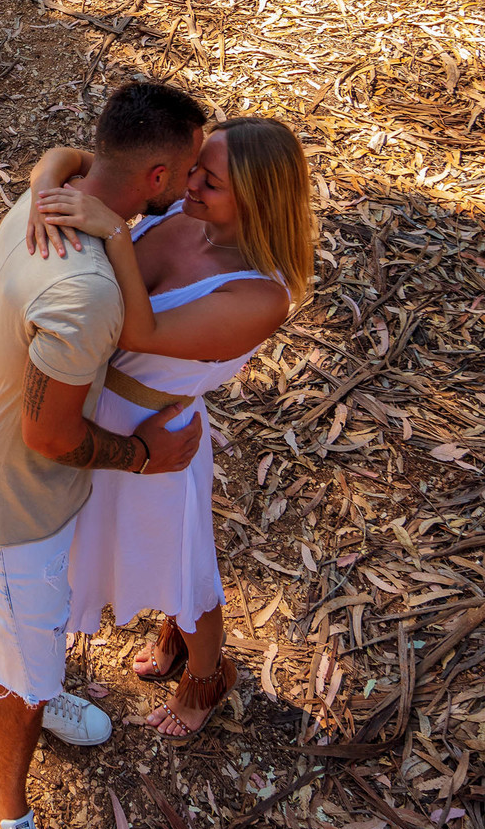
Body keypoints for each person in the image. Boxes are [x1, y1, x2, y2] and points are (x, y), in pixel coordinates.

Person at [0, 79, 209, 829]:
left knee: (33, 641)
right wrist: (144, 456)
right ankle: (10, 820)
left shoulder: (50, 199)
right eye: (192, 170)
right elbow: (50, 438)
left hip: (3, 465)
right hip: (14, 500)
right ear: (155, 174)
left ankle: (45, 693)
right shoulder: (89, 293)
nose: (196, 184)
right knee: (16, 668)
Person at [28, 117, 314, 737]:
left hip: (157, 430)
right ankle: (173, 638)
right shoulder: (187, 209)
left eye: (208, 181)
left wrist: (114, 236)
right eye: (193, 169)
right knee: (97, 546)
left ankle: (207, 677)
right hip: (95, 413)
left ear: (255, 201)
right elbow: (81, 155)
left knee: (184, 570)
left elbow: (137, 332)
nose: (188, 185)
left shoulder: (261, 295)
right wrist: (45, 178)